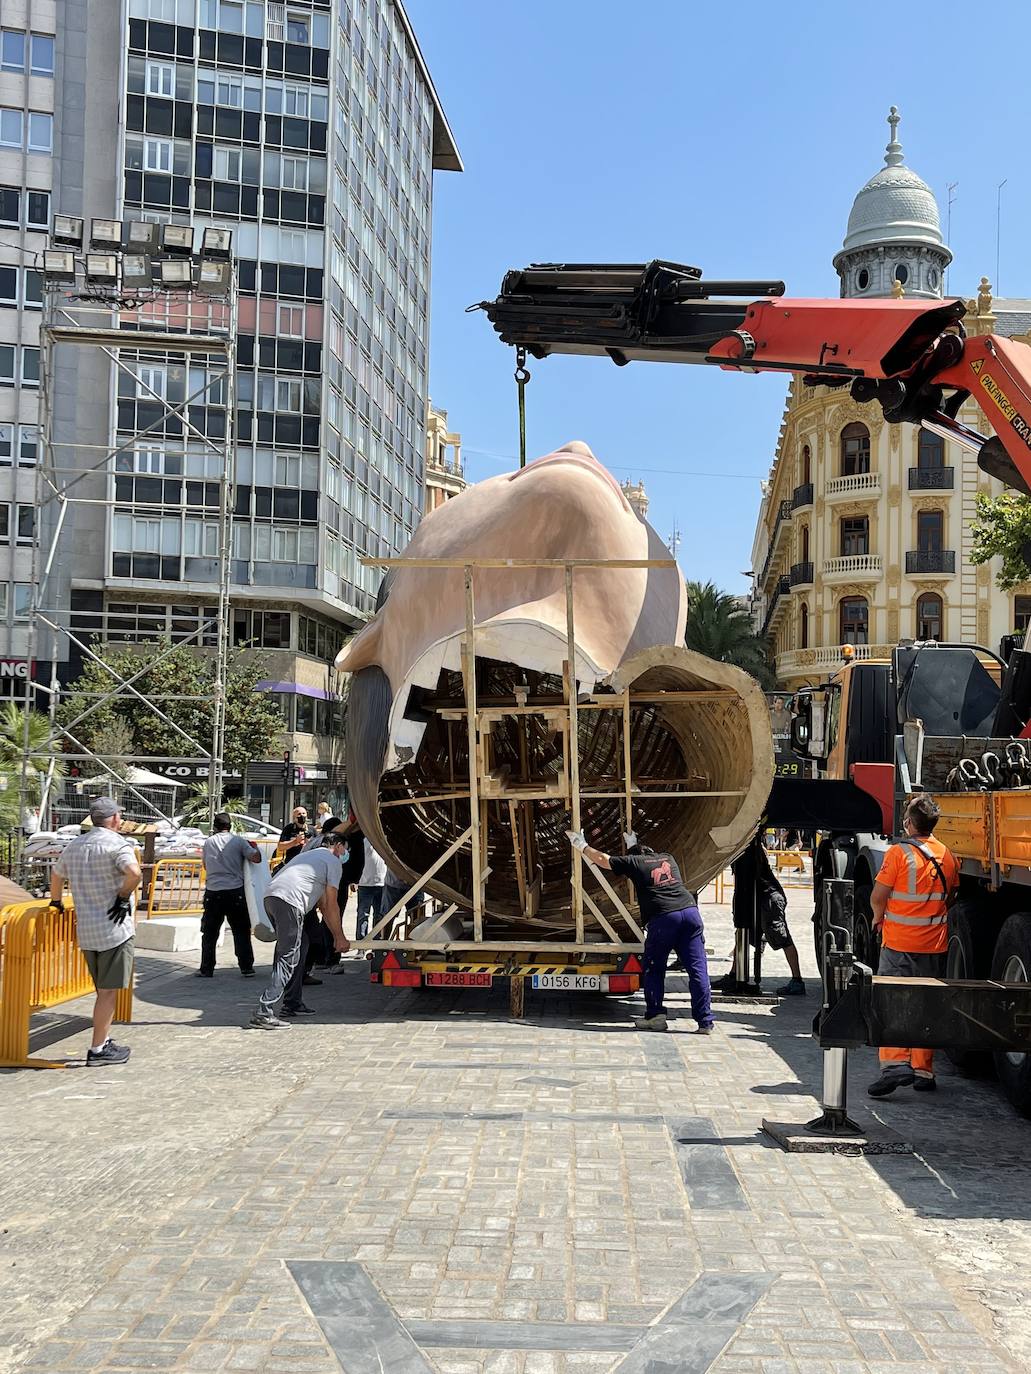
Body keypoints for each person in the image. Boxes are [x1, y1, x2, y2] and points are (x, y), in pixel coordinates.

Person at [566, 828, 714, 1034]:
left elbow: (602, 859)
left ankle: (656, 1017)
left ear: (633, 856)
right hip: (690, 913)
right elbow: (644, 862)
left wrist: (582, 846)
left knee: (654, 968)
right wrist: (633, 845)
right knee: (698, 970)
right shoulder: (667, 858)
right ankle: (705, 1022)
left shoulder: (633, 863)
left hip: (663, 918)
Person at [867, 794, 959, 1098]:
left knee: (892, 1003)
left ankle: (895, 1067)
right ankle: (923, 1070)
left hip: (898, 944)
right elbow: (950, 897)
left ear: (908, 822)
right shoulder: (947, 855)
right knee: (926, 1005)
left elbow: (879, 895)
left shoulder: (898, 853)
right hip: (933, 945)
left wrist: (878, 918)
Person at [49, 798, 142, 1065]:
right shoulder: (116, 844)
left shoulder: (75, 846)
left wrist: (55, 902)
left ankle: (104, 1038)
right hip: (115, 929)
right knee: (108, 992)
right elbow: (134, 873)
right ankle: (98, 1049)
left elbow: (57, 875)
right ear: (114, 819)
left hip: (87, 930)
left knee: (102, 990)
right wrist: (123, 896)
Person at [251, 831, 350, 1029]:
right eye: (346, 849)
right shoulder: (332, 861)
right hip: (290, 902)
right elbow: (332, 904)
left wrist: (338, 937)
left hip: (271, 898)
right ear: (338, 845)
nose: (346, 853)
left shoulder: (309, 855)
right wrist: (340, 939)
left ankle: (292, 1003)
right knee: (288, 956)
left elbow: (323, 906)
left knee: (300, 946)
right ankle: (264, 1010)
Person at [724, 835, 806, 996]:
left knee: (781, 937)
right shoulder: (747, 850)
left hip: (769, 899)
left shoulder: (750, 851)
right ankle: (734, 974)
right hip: (761, 899)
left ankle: (797, 980)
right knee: (743, 934)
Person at [197, 812, 262, 979]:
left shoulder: (208, 842)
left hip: (213, 892)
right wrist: (254, 848)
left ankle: (206, 968)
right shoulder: (238, 841)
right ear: (230, 826)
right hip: (235, 892)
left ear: (215, 827)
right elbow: (256, 858)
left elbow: (205, 865)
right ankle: (246, 967)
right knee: (241, 930)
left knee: (210, 933)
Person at [355, 836, 386, 941]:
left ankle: (376, 945)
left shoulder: (384, 840)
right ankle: (361, 944)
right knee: (363, 915)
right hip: (365, 884)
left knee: (379, 915)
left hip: (382, 883)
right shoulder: (363, 841)